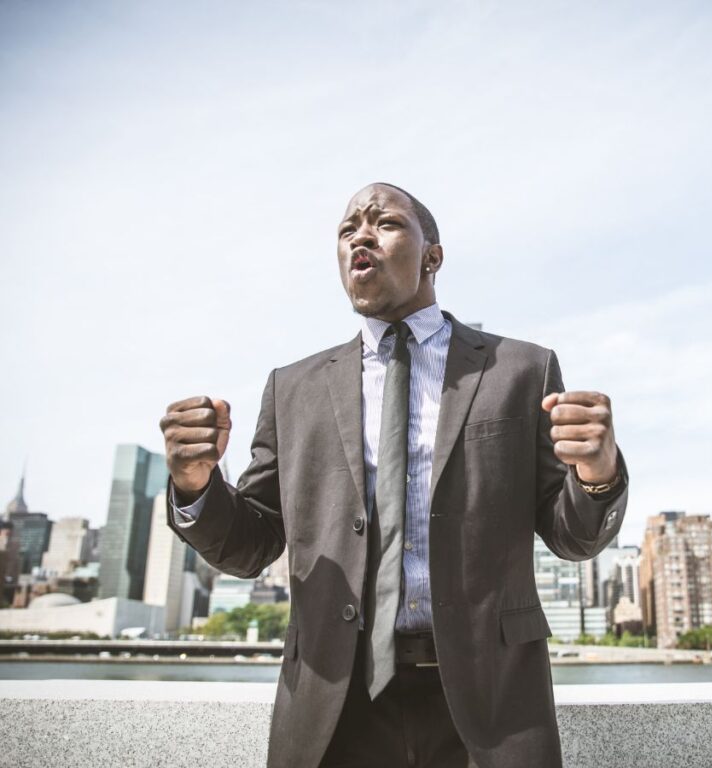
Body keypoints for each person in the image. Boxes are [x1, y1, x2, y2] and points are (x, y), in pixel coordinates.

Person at [158, 182, 629, 768]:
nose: (360, 234)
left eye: (384, 223)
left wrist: (597, 471)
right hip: (335, 701)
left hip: (491, 701)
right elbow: (251, 546)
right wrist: (197, 485)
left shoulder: (521, 370)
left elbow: (572, 536)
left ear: (432, 255)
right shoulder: (293, 388)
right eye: (347, 227)